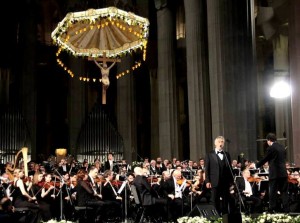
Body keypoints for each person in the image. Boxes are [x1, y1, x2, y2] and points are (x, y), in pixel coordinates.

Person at [250, 133, 289, 213]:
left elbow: (265, 159)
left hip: (275, 174)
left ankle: (272, 209)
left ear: (268, 140)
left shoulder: (271, 148)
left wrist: (256, 165)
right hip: (283, 173)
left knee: (272, 191)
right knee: (284, 191)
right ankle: (286, 209)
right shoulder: (282, 147)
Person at [205, 136, 234, 215]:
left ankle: (225, 216)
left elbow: (229, 168)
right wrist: (207, 181)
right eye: (219, 142)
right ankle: (216, 216)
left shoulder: (226, 154)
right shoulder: (209, 154)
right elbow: (207, 169)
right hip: (214, 180)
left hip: (225, 181)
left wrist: (231, 181)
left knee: (225, 199)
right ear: (215, 143)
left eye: (222, 142)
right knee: (215, 199)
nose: (221, 143)